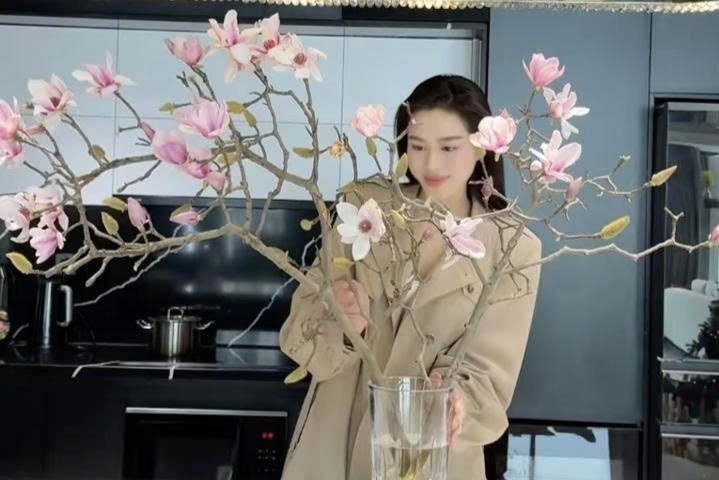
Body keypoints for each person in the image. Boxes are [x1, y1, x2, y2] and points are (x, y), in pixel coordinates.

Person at [279, 74, 543, 480]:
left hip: (432, 457)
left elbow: (490, 378)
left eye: (449, 147)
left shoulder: (512, 246)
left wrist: (456, 403)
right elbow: (300, 332)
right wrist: (340, 324)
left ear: (482, 146)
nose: (431, 164)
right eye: (417, 147)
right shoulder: (363, 206)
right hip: (333, 448)